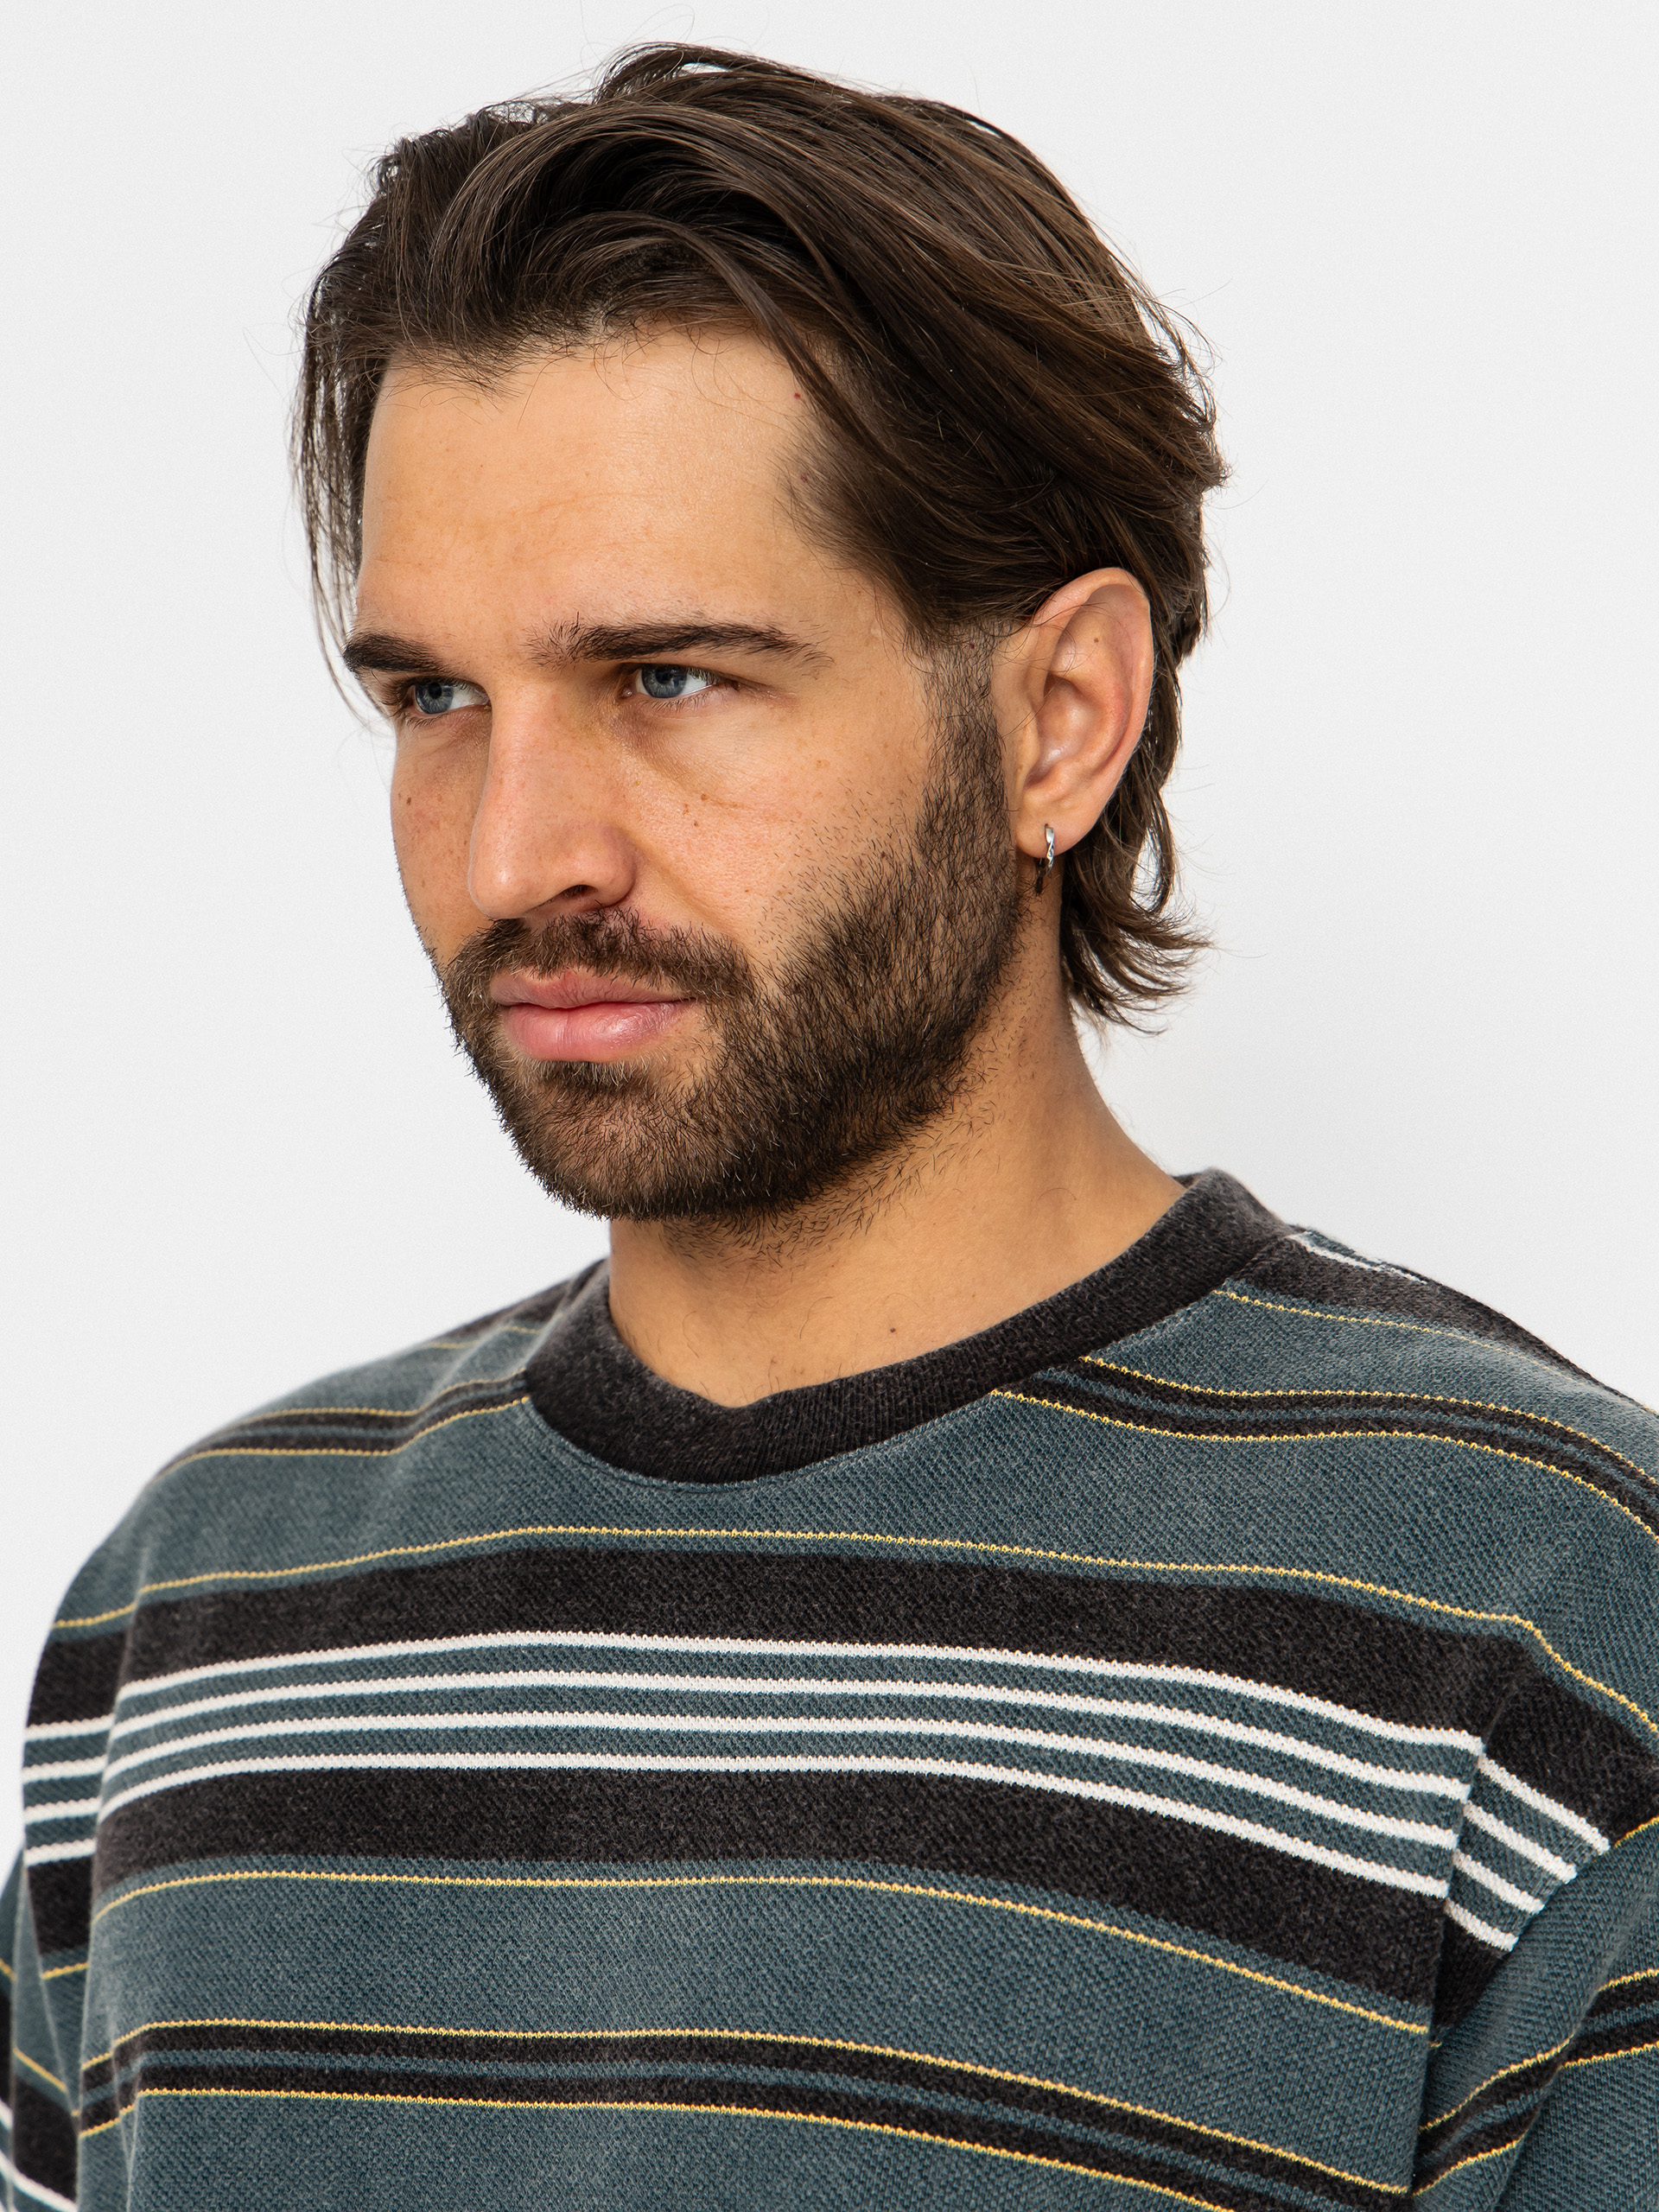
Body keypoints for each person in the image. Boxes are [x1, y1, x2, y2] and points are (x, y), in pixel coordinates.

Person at [5, 42, 1655, 2212]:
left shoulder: (1541, 1633)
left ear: (1060, 716)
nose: (515, 849)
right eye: (436, 696)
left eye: (668, 676)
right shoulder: (191, 1622)